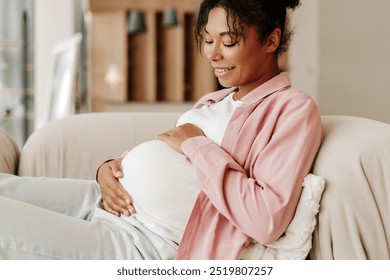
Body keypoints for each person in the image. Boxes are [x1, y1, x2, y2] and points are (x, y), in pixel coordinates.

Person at [0, 0, 323, 260]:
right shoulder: (216, 99)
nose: (212, 53)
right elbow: (169, 150)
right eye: (208, 40)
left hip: (145, 240)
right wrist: (109, 169)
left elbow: (265, 219)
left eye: (229, 41)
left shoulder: (292, 109)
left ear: (271, 40)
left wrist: (197, 144)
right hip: (109, 202)